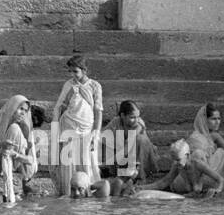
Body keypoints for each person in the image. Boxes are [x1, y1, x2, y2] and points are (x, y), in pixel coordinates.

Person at [52, 55, 103, 198]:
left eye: (75, 71)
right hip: (69, 125)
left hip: (87, 127)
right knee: (68, 161)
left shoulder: (95, 86)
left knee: (87, 160)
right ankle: (68, 193)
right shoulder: (68, 85)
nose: (72, 75)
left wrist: (96, 132)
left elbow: (98, 110)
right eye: (70, 72)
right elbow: (60, 105)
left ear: (84, 70)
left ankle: (88, 192)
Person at [100, 100, 157, 193]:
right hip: (123, 158)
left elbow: (126, 149)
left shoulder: (139, 124)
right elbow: (102, 136)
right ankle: (117, 174)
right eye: (132, 117)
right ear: (122, 116)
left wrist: (105, 163)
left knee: (140, 139)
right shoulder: (116, 121)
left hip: (141, 158)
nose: (136, 120)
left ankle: (140, 179)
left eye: (137, 117)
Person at [142, 138, 224, 195]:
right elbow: (163, 182)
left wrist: (218, 190)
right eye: (174, 159)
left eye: (178, 159)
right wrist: (142, 188)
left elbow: (220, 179)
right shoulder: (177, 165)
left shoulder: (198, 164)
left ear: (187, 156)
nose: (175, 162)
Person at [187, 103, 224, 187]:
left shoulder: (214, 135)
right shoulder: (194, 137)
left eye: (219, 119)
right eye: (213, 119)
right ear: (204, 120)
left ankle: (217, 182)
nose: (217, 122)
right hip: (196, 174)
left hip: (210, 171)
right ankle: (200, 184)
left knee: (223, 152)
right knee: (198, 154)